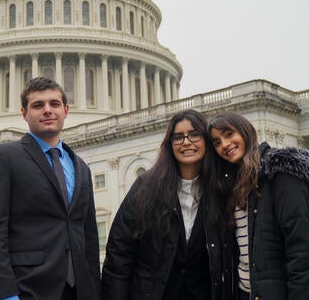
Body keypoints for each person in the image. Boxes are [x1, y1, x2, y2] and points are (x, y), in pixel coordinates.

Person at [0, 77, 100, 300]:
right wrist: (5, 294)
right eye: (38, 105)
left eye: (54, 104)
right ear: (24, 114)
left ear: (66, 110)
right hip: (28, 288)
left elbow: (88, 235)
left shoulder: (80, 166)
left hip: (79, 291)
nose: (48, 111)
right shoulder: (3, 157)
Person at [101, 109, 235, 300]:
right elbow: (119, 254)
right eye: (178, 137)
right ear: (170, 144)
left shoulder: (221, 190)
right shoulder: (146, 187)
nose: (186, 142)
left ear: (206, 140)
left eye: (194, 134)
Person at [207, 112, 309, 300]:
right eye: (217, 142)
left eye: (229, 134)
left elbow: (303, 252)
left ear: (245, 131)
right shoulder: (230, 187)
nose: (224, 145)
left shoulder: (281, 174)